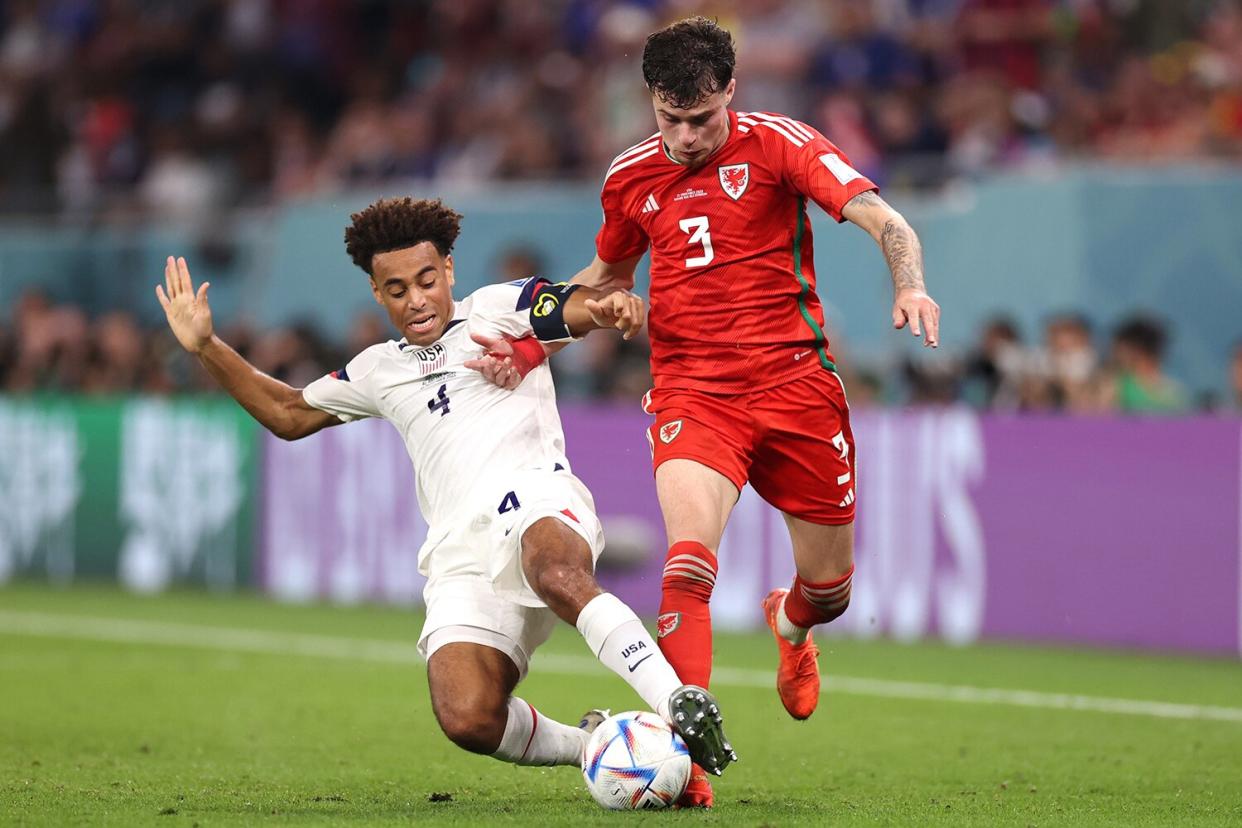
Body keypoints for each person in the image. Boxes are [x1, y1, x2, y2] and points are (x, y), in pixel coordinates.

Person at [154, 197, 734, 780]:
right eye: (398, 289)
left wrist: (607, 307)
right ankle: (596, 745)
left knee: (555, 568)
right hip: (462, 553)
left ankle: (676, 703)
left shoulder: (501, 308)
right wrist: (207, 346)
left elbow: (576, 307)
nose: (417, 300)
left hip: (538, 504)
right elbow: (287, 413)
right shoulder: (378, 370)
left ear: (449, 271)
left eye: (427, 280)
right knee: (468, 717)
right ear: (379, 295)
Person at [569, 17, 941, 807]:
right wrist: (529, 337)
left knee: (832, 587)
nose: (688, 136)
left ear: (731, 91)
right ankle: (686, 760)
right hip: (694, 393)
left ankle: (793, 624)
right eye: (671, 119)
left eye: (702, 118)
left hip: (798, 389)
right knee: (688, 563)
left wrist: (909, 283)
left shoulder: (780, 144)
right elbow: (600, 277)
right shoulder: (631, 176)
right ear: (651, 103)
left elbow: (887, 219)